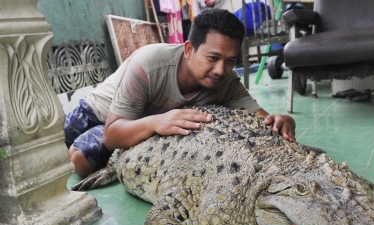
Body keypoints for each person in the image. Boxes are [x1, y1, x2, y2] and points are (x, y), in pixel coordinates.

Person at [64, 8, 296, 177]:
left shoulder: (227, 81)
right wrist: (157, 122)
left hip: (137, 125)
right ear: (188, 49)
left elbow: (263, 119)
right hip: (99, 114)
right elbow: (111, 134)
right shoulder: (148, 64)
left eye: (230, 61)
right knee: (76, 161)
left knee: (85, 158)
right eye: (213, 58)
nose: (220, 70)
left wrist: (281, 120)